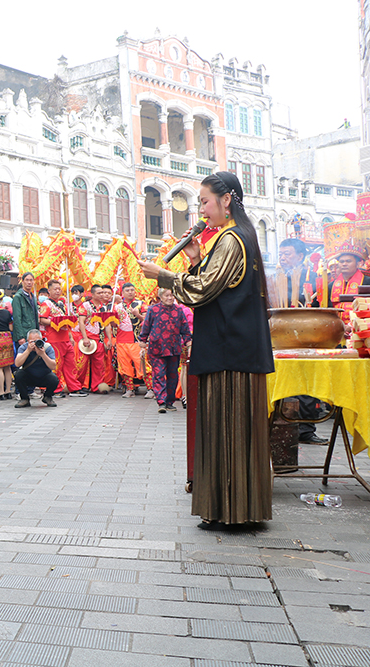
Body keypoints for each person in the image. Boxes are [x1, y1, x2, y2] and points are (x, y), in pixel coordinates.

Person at [139, 171, 274, 529]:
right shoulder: (237, 237)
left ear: (226, 199)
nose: (201, 210)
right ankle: (233, 507)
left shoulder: (232, 239)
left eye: (204, 201)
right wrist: (197, 259)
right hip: (234, 347)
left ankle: (231, 511)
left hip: (231, 351)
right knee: (229, 428)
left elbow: (203, 291)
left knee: (227, 427)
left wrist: (163, 275)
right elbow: (215, 285)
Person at [276, 239, 327, 444]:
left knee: (306, 382)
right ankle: (280, 424)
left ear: (300, 256)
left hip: (308, 335)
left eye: (287, 253)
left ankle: (306, 429)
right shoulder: (277, 278)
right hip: (282, 335)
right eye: (281, 253)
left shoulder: (313, 278)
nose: (282, 257)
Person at [139, 288, 191, 413]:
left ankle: (170, 402)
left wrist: (188, 343)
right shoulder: (153, 309)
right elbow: (146, 326)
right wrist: (142, 342)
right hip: (157, 348)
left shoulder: (179, 310)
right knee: (159, 374)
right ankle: (161, 402)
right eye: (167, 295)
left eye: (172, 295)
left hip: (174, 348)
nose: (170, 298)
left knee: (173, 375)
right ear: (160, 297)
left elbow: (185, 328)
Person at [39, 279, 80, 398]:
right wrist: (54, 322)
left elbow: (67, 322)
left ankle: (74, 388)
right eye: (55, 289)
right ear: (49, 290)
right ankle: (55, 389)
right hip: (54, 339)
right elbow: (42, 319)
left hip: (65, 338)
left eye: (59, 289)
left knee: (71, 364)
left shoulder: (62, 304)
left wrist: (71, 336)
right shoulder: (46, 304)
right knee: (56, 365)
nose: (58, 291)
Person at [76, 284, 114, 394]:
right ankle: (79, 386)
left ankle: (97, 386)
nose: (102, 295)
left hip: (100, 339)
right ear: (92, 294)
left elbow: (107, 324)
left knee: (99, 365)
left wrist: (110, 340)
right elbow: (81, 322)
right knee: (82, 364)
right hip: (87, 338)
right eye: (99, 293)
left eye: (102, 292)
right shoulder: (85, 306)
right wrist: (85, 338)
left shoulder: (104, 307)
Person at [326, 240, 370, 325]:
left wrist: (352, 324)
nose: (344, 264)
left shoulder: (367, 282)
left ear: (358, 263)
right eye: (341, 262)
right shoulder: (331, 286)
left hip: (361, 327)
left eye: (348, 261)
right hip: (335, 328)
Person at [12, 329, 59, 408]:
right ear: (27, 341)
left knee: (54, 379)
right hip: (28, 376)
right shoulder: (24, 347)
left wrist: (43, 354)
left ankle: (48, 397)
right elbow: (17, 363)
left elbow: (53, 366)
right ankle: (24, 399)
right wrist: (28, 350)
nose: (35, 343)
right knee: (18, 374)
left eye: (37, 341)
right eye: (32, 341)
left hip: (44, 375)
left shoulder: (47, 347)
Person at [115, 282, 146, 398]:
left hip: (136, 340)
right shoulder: (117, 307)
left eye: (132, 290)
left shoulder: (141, 304)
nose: (130, 292)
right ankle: (129, 389)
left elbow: (147, 320)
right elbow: (113, 324)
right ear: (122, 293)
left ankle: (151, 389)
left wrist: (138, 315)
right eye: (127, 290)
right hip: (121, 340)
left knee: (142, 364)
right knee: (124, 366)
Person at [10, 272, 40, 346]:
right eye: (27, 280)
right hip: (24, 334)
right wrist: (20, 337)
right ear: (22, 281)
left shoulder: (33, 297)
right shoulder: (18, 297)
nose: (29, 282)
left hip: (34, 334)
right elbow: (17, 318)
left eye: (31, 280)